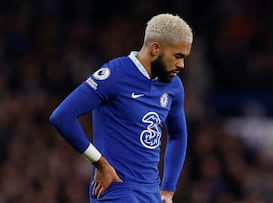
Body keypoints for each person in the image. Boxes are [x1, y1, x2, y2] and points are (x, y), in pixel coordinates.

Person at [49, 13, 193, 203]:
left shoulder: (173, 86)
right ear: (155, 48)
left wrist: (168, 188)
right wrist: (100, 164)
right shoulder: (115, 74)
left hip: (151, 193)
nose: (181, 64)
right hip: (116, 191)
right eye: (177, 56)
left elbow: (178, 135)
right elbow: (62, 116)